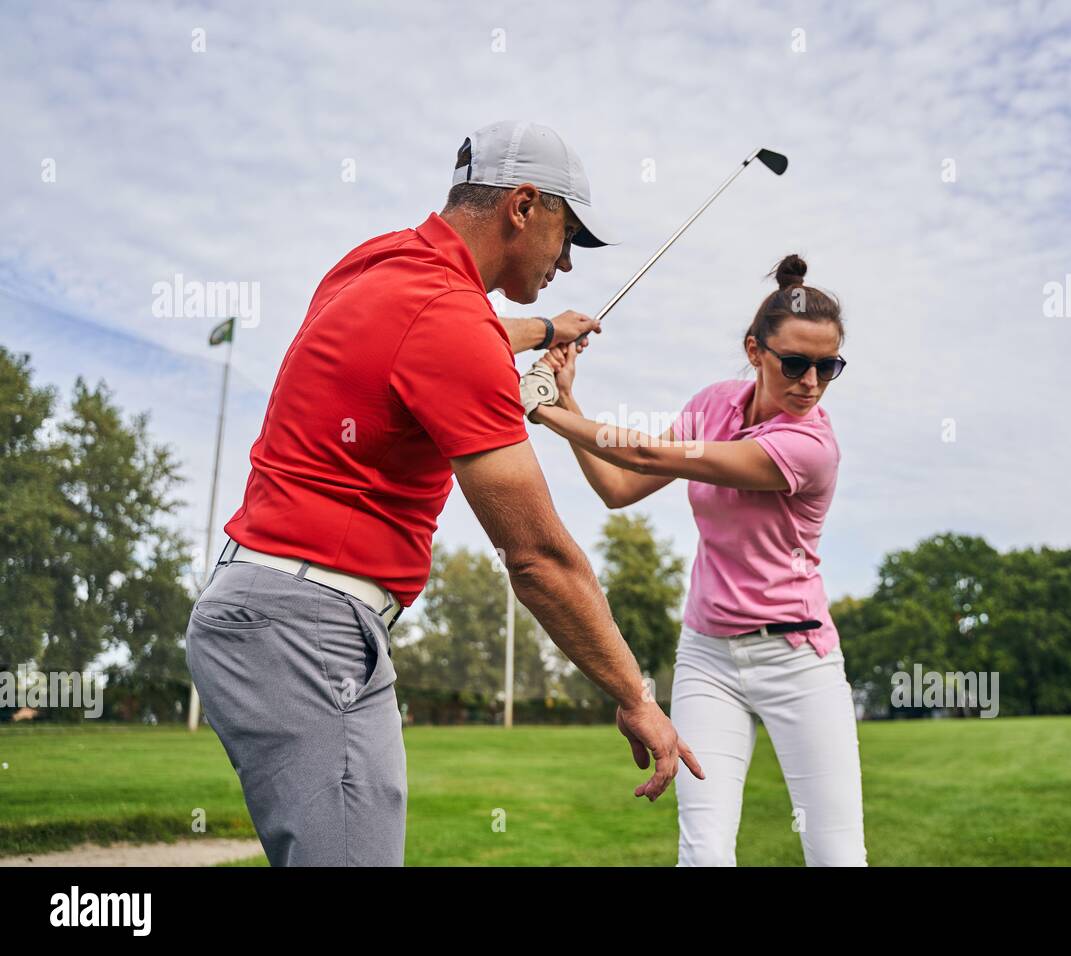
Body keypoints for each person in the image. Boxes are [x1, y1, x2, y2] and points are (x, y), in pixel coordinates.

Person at [185, 120, 703, 867]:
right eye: (569, 234)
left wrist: (543, 330)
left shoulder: (375, 264)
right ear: (523, 205)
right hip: (307, 626)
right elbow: (537, 559)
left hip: (284, 611)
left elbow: (450, 331)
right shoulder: (450, 321)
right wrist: (634, 695)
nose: (567, 259)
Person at [522, 254, 865, 866]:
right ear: (755, 350)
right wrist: (567, 399)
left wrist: (542, 411)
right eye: (795, 362)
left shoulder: (810, 446)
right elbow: (618, 489)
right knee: (702, 853)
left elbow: (655, 457)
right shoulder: (715, 403)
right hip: (708, 657)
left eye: (827, 367)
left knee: (836, 855)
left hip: (797, 660)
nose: (810, 381)